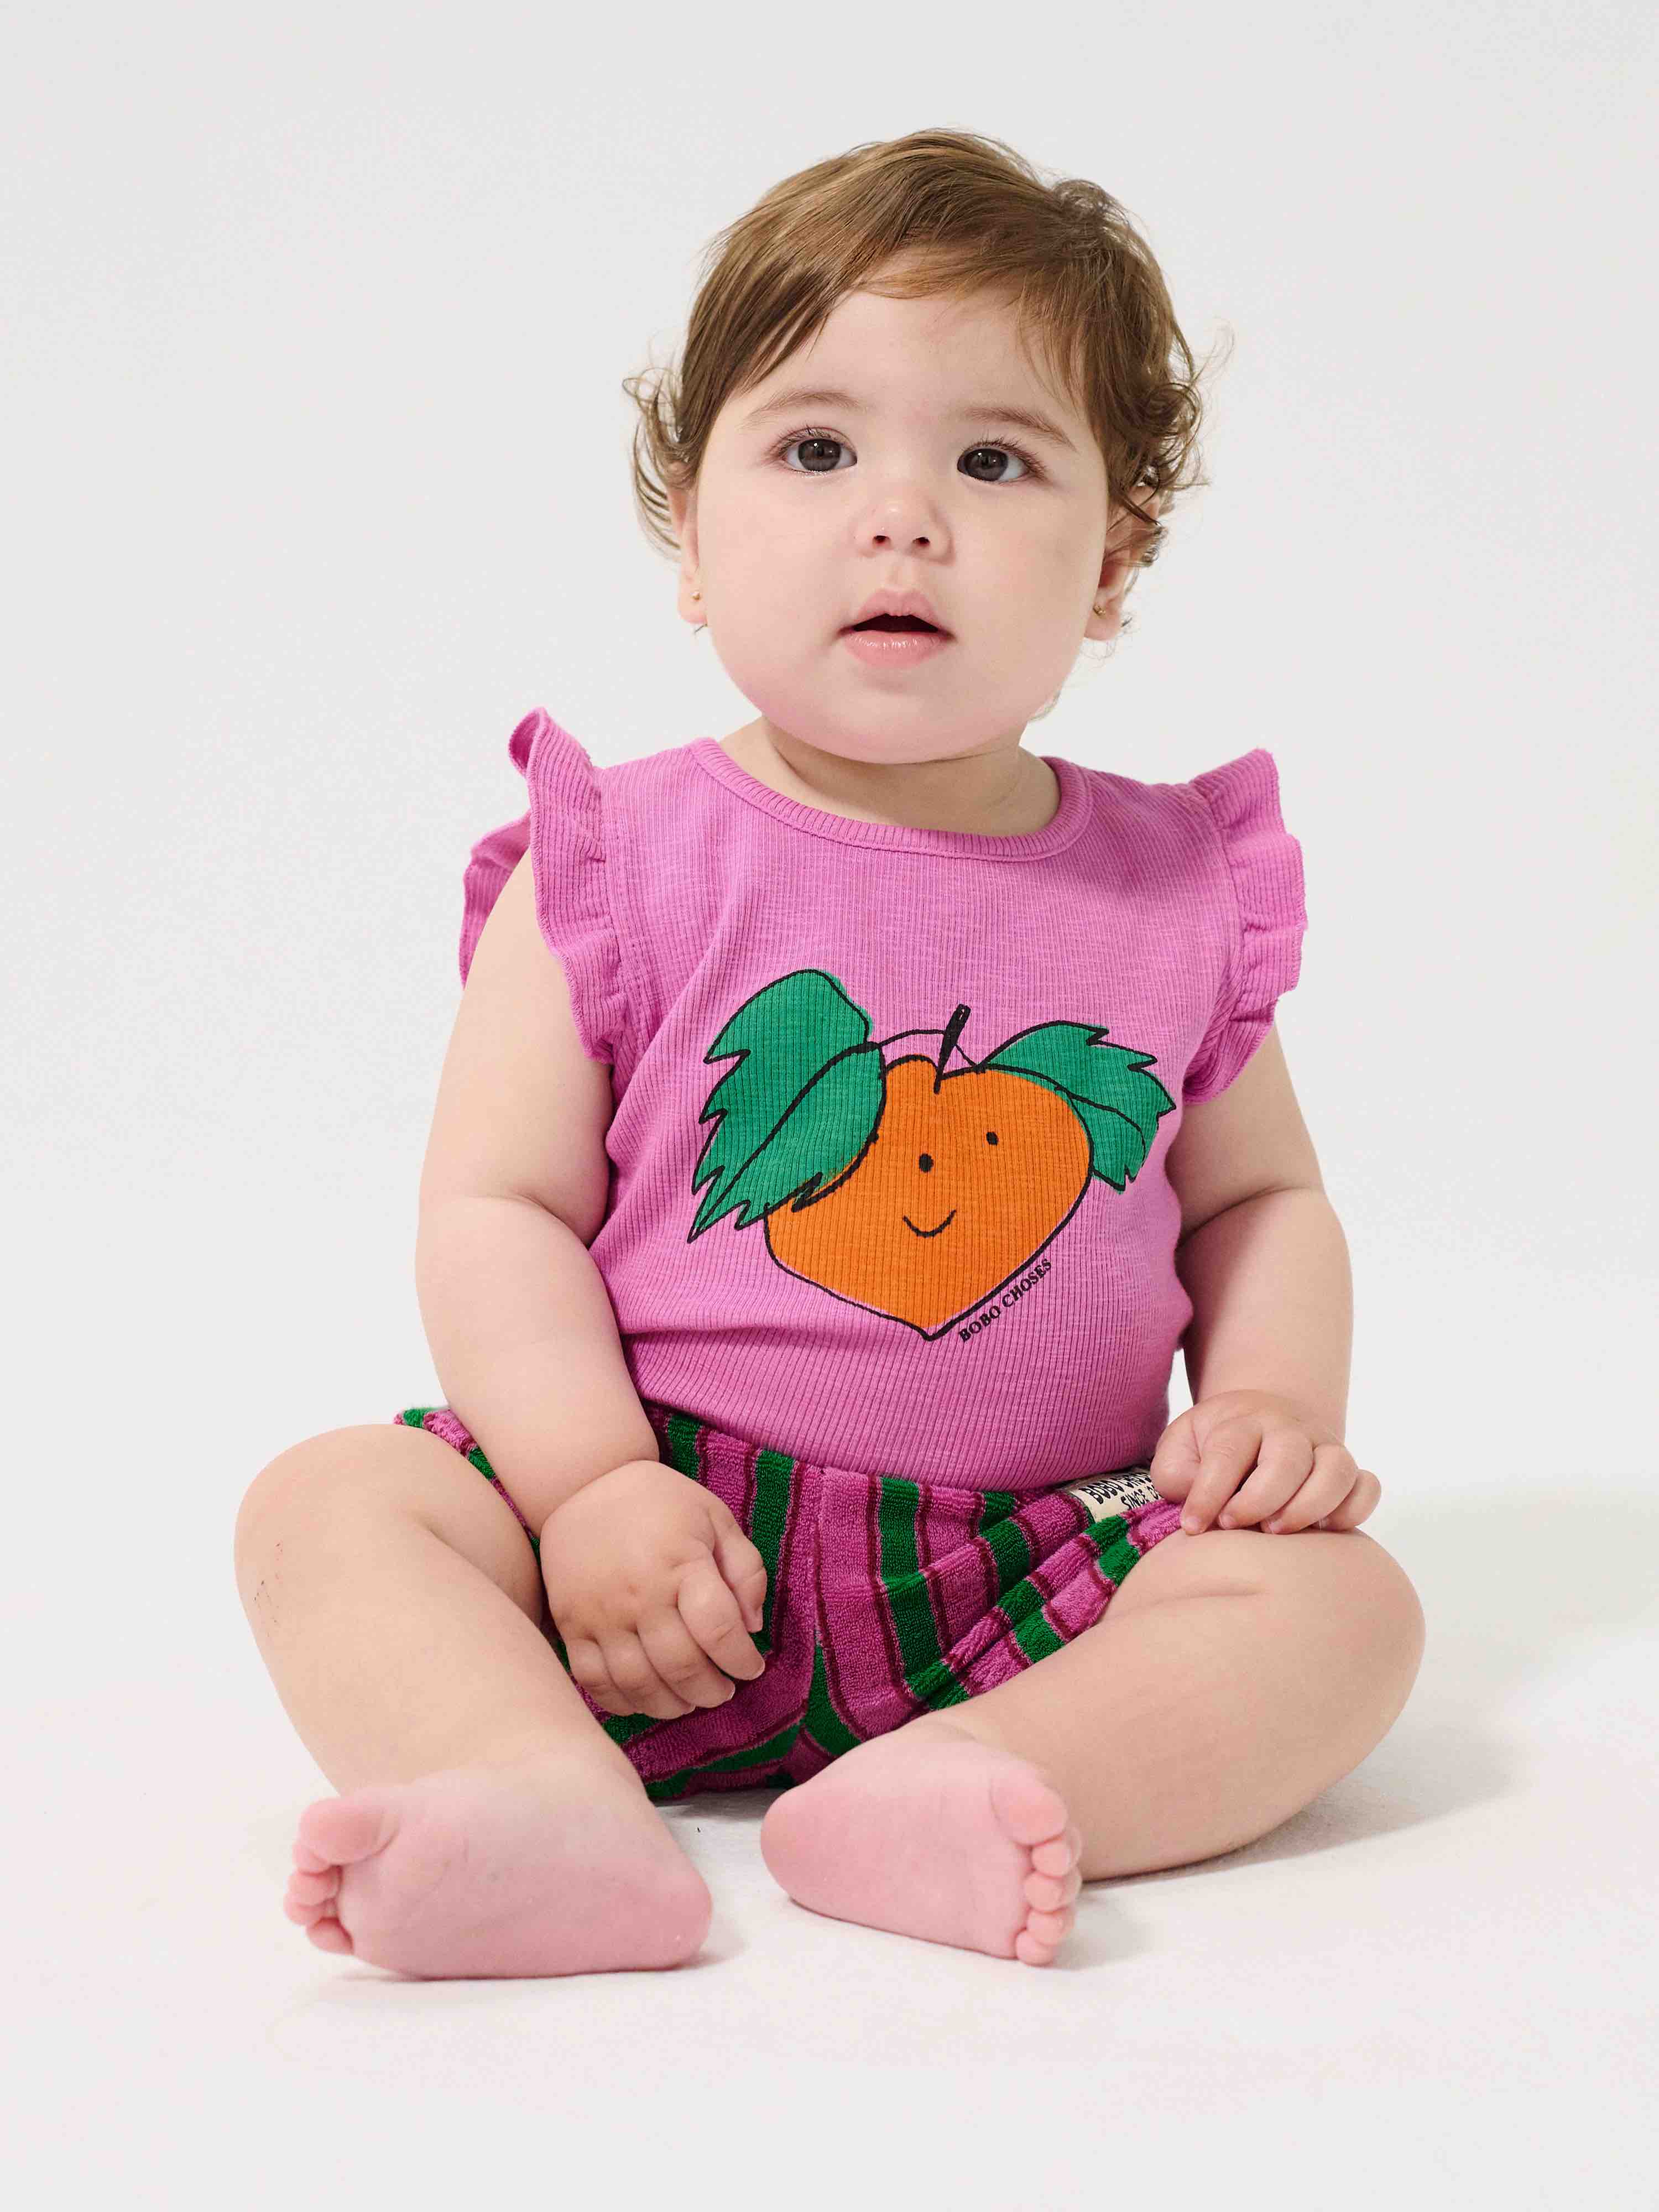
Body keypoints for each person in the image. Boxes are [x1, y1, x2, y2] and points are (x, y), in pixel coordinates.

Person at [233, 128, 1426, 1982]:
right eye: (815, 451)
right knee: (335, 1504)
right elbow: (496, 1210)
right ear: (693, 540)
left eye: (994, 460)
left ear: (1111, 564)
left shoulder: (1172, 886)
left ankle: (974, 1783)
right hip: (654, 1545)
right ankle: (534, 1793)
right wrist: (586, 1487)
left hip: (1048, 1565)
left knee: (1344, 1609)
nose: (903, 516)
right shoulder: (620, 857)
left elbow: (1259, 1200)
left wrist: (1272, 1401)